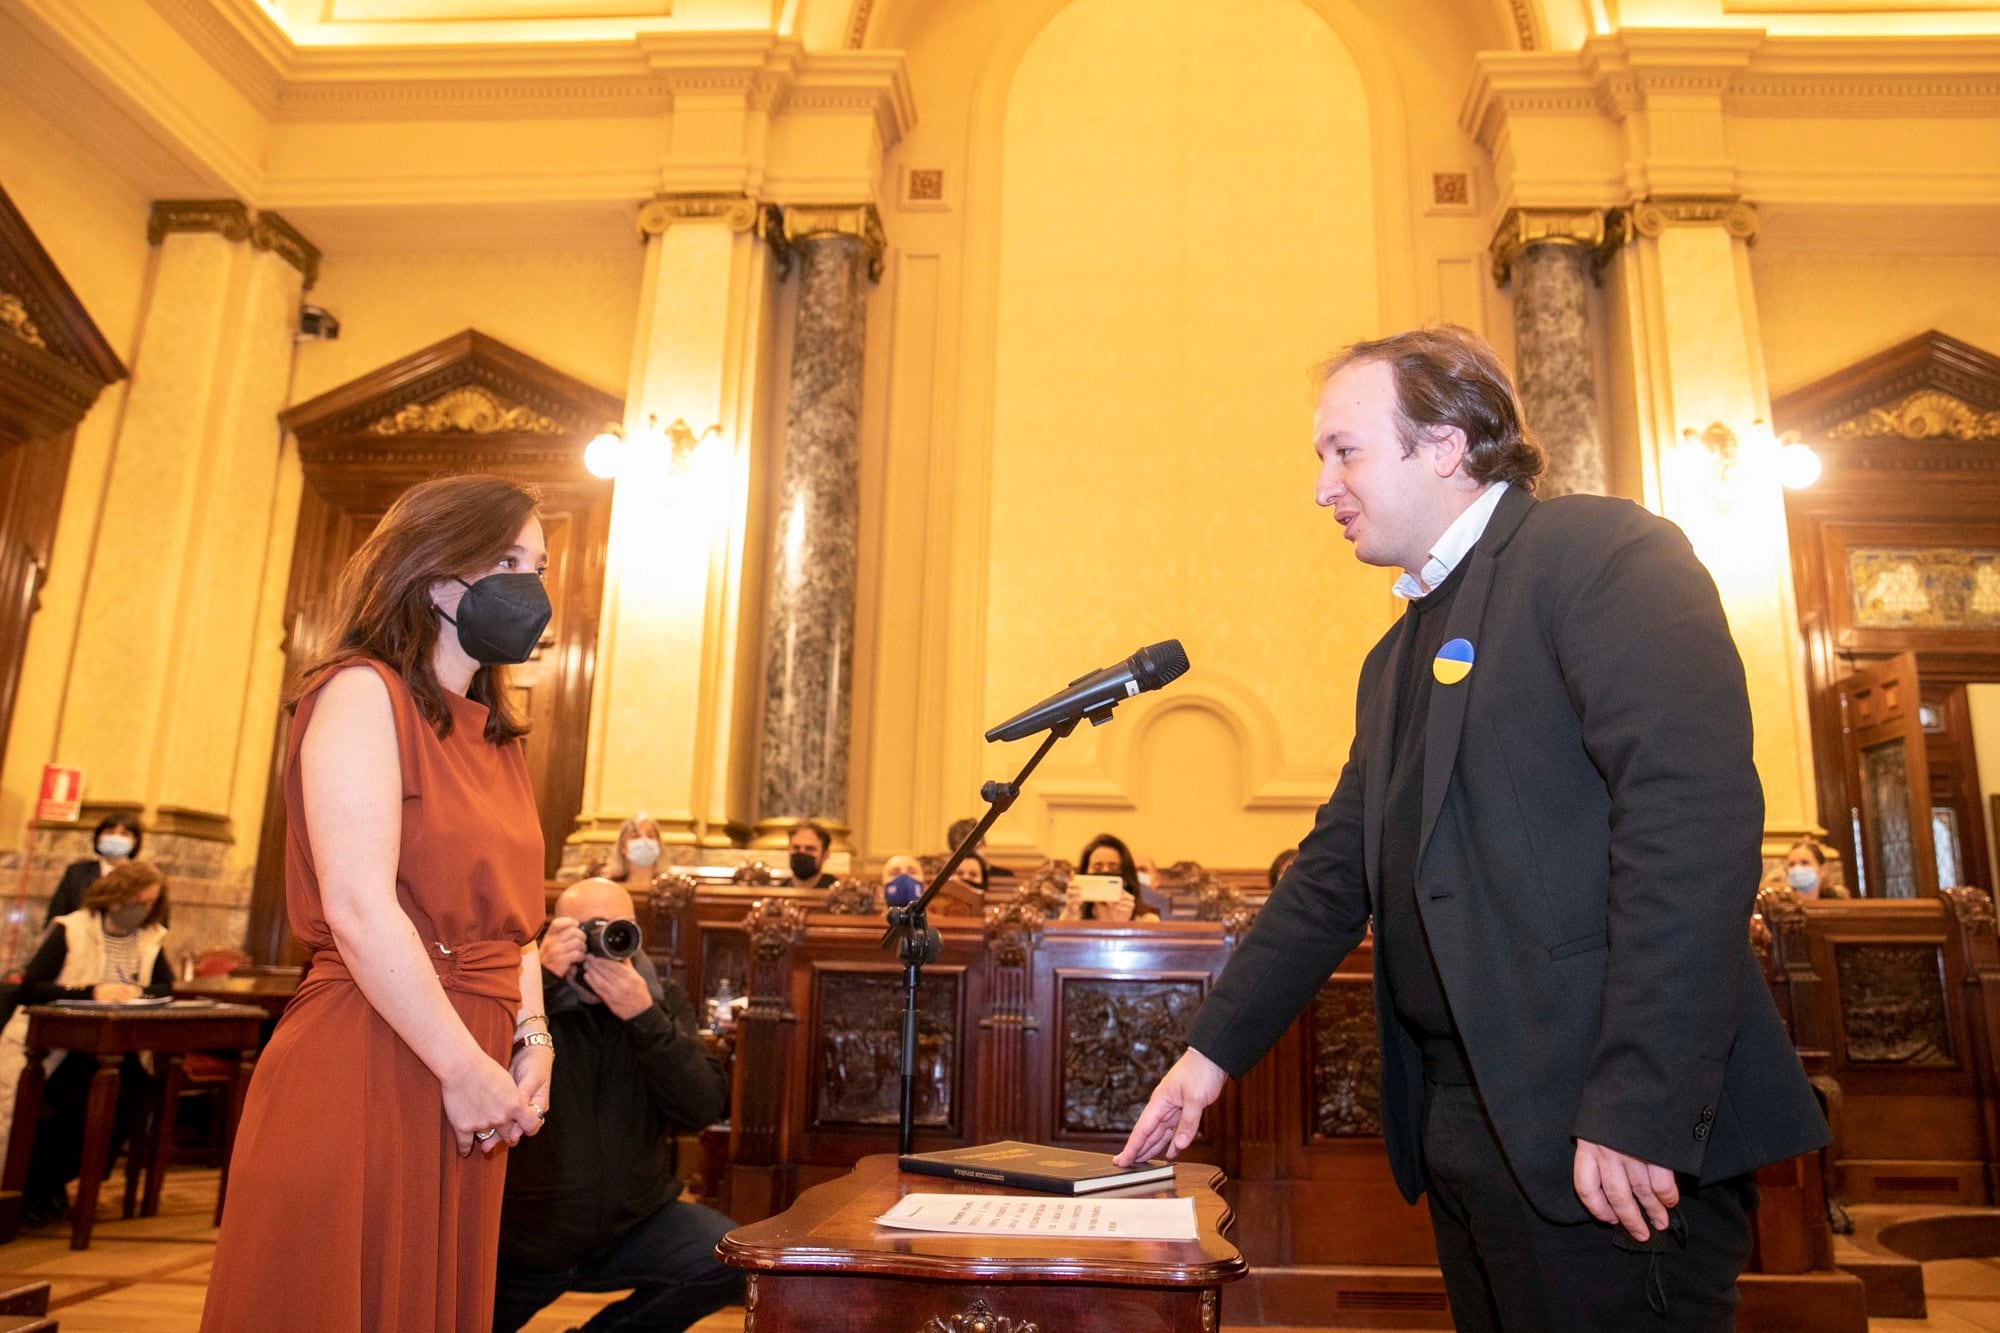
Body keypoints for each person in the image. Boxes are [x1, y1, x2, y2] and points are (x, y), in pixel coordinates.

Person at [1115, 326, 1826, 1331]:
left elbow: (1690, 832)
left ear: (1444, 446)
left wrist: (1638, 1107)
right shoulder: (1393, 656)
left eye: (1343, 449)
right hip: (1466, 1128)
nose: (1322, 485)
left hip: (1604, 1130)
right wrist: (1207, 1056)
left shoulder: (1597, 554)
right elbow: (1330, 876)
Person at [203, 474, 554, 1331]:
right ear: (437, 577)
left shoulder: (496, 735)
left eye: (540, 565)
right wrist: (464, 1066)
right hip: (375, 1046)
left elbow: (520, 926)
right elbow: (359, 907)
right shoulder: (362, 692)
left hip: (471, 1063)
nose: (533, 586)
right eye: (508, 559)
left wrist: (531, 1037)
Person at [493, 877, 742, 1333]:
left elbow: (703, 1106)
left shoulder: (657, 999)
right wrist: (540, 984)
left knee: (732, 1260)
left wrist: (644, 1017)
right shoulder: (515, 1000)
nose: (598, 943)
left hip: (634, 1225)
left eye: (615, 929)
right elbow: (478, 1074)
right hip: (523, 1241)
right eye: (584, 929)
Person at [0, 859, 171, 1224]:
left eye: (148, 903)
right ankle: (38, 1188)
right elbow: (30, 988)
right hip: (57, 1049)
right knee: (79, 1104)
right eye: (135, 901)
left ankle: (67, 1181)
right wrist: (92, 990)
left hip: (116, 1048)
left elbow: (164, 986)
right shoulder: (72, 929)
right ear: (115, 896)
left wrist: (137, 991)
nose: (140, 910)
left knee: (139, 1094)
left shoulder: (150, 938)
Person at [43, 814, 142, 924]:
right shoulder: (76, 872)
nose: (116, 838)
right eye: (109, 832)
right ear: (98, 837)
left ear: (135, 841)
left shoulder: (142, 878)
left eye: (124, 834)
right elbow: (57, 914)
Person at [1063, 834, 1159, 922]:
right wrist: (1072, 914)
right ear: (1085, 872)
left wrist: (1123, 923)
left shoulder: (1148, 919)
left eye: (1114, 868)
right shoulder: (1072, 913)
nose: (1105, 871)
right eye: (1097, 867)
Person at [603, 812, 666, 892]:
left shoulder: (670, 891)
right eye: (636, 836)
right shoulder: (610, 889)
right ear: (623, 847)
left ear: (659, 845)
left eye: (650, 836)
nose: (645, 841)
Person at [1782, 840, 1847, 900]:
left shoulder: (1838, 904)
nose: (1797, 869)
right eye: (1792, 865)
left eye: (1805, 863)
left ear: (1822, 870)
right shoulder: (1780, 906)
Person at [786, 820, 837, 888]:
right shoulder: (776, 891)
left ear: (825, 855)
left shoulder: (837, 892)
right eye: (796, 848)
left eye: (810, 849)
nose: (802, 852)